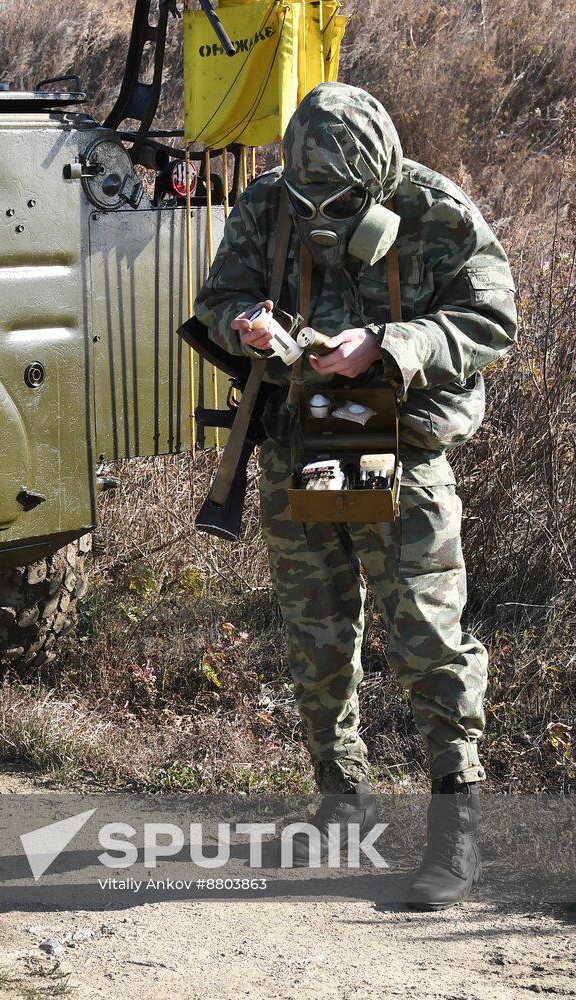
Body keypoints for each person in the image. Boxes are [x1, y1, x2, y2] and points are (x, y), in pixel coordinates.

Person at [194, 82, 518, 908]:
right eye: (307, 198)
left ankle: (455, 832)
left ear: (375, 179)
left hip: (400, 446)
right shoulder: (269, 203)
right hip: (305, 438)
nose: (317, 213)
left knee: (426, 637)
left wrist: (389, 341)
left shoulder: (435, 210)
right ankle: (339, 808)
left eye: (336, 199)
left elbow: (492, 319)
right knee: (316, 634)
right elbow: (219, 296)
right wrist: (247, 326)